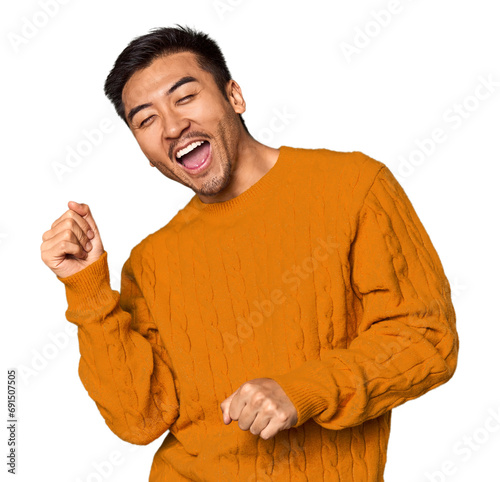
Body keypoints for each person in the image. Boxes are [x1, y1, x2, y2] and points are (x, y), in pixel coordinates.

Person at [40, 25, 459, 481]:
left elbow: (426, 339)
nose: (173, 126)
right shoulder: (149, 262)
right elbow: (138, 421)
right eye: (146, 120)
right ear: (143, 150)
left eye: (184, 97)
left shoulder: (353, 188)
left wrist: (302, 391)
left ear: (234, 96)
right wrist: (87, 288)